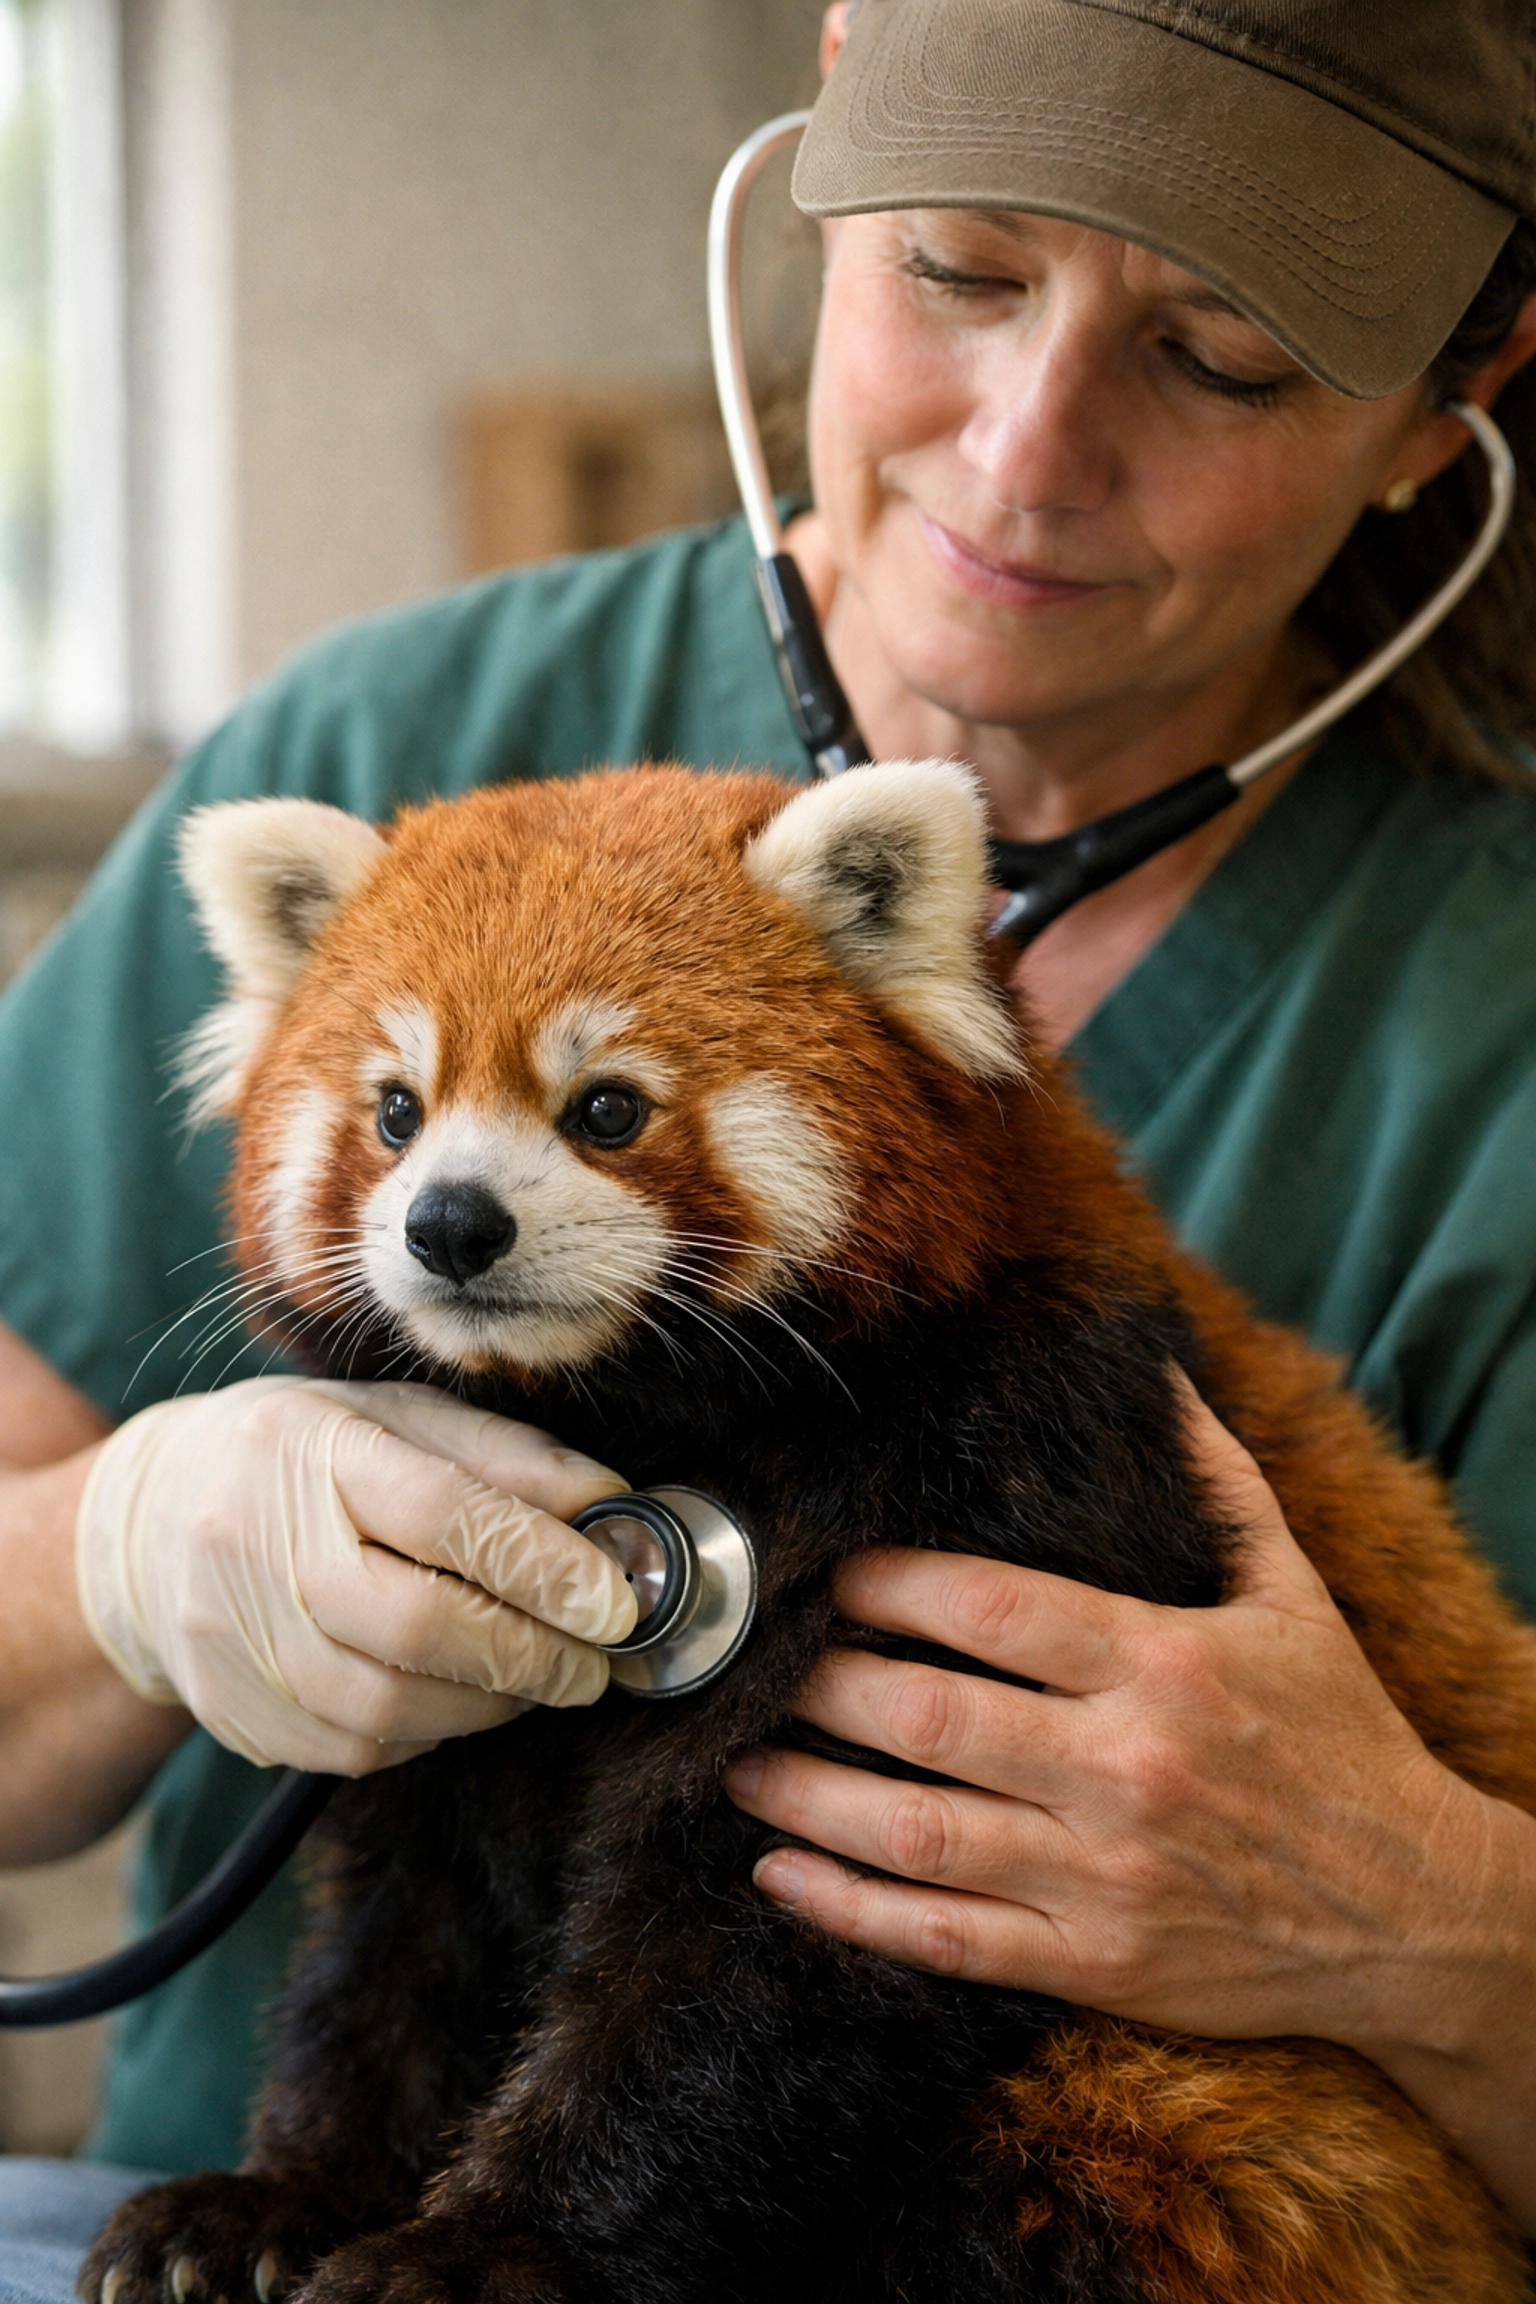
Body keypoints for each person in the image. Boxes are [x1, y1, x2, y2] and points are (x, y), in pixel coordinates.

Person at [1, 0, 1534, 2286]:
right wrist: (120, 1561)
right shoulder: (399, 749)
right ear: (818, 163)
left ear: (1446, 413)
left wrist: (1438, 1922)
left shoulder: (1479, 1027)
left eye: (1219, 355)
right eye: (960, 268)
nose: (1027, 453)